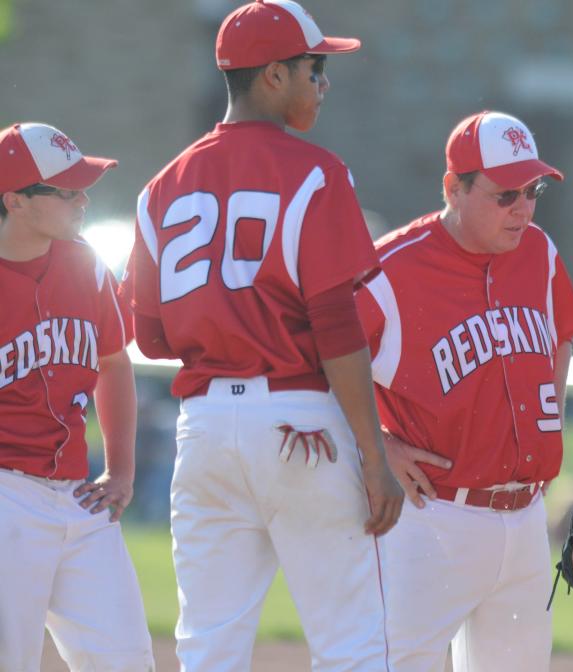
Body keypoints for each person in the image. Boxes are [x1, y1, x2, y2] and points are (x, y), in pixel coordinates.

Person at [121, 1, 403, 669]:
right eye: (316, 67)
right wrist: (372, 452)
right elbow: (336, 326)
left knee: (209, 643)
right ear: (274, 75)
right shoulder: (317, 171)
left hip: (206, 428)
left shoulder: (160, 187)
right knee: (351, 639)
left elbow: (153, 339)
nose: (323, 83)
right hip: (298, 418)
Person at [354, 110, 573, 671]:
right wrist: (377, 445)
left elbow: (558, 340)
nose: (523, 209)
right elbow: (317, 364)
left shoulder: (541, 252)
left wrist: (544, 428)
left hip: (526, 517)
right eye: (506, 194)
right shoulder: (391, 267)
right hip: (432, 515)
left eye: (532, 191)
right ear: (453, 188)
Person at [0, 123, 154, 671]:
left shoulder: (85, 263)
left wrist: (122, 472)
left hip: (79, 496)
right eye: (66, 191)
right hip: (6, 496)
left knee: (127, 660)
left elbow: (112, 362)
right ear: (15, 200)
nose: (83, 199)